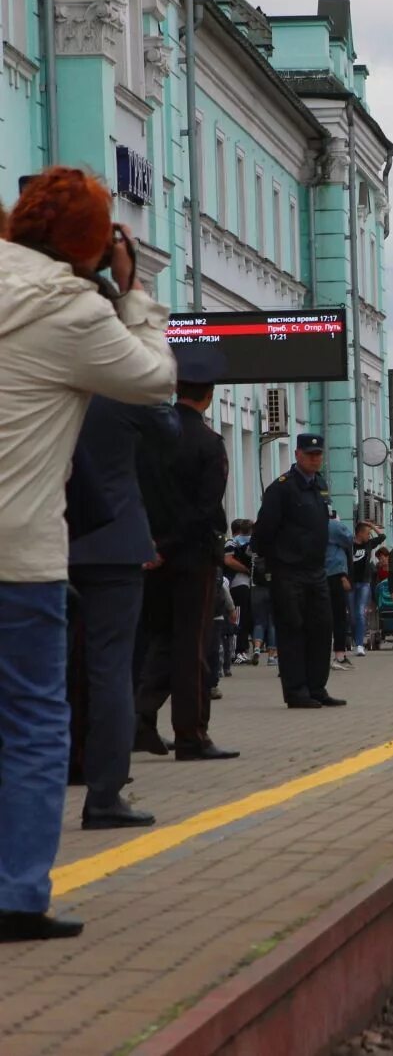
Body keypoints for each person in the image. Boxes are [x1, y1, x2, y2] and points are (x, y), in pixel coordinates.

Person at [0, 167, 177, 941]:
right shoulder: (72, 311)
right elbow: (157, 379)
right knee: (33, 722)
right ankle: (15, 896)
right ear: (92, 247)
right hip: (18, 554)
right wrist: (132, 294)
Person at [67, 396, 179, 830]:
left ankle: (50, 779)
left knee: (38, 673)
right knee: (111, 670)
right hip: (113, 544)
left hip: (41, 536)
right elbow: (169, 430)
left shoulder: (36, 364)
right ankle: (103, 796)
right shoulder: (121, 381)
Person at [132, 356, 238, 763]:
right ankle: (192, 736)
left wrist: (150, 546)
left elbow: (135, 494)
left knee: (161, 639)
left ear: (178, 391)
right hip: (191, 558)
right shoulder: (209, 444)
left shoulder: (147, 437)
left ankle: (140, 720)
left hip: (151, 557)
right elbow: (204, 509)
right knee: (192, 647)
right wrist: (170, 546)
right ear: (209, 397)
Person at [253, 434, 346, 710]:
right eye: (310, 454)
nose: (315, 458)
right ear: (297, 455)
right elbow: (264, 531)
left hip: (317, 570)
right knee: (293, 629)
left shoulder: (320, 485)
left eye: (318, 454)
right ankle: (296, 691)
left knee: (321, 628)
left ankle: (317, 688)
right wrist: (275, 563)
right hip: (288, 571)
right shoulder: (281, 489)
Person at [348, 521, 384, 655]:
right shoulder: (349, 545)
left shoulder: (369, 544)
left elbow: (382, 537)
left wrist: (371, 525)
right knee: (352, 615)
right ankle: (355, 636)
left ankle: (359, 644)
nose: (369, 536)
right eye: (367, 533)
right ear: (360, 533)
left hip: (364, 582)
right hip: (350, 583)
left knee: (360, 612)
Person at [326, 508, 354, 671]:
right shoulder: (332, 525)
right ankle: (339, 656)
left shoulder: (305, 523)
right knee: (339, 617)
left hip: (312, 575)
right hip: (334, 574)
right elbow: (349, 539)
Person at [223, 520, 253, 666]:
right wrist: (246, 570)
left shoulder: (236, 542)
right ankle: (236, 652)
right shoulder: (232, 543)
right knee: (238, 618)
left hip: (243, 584)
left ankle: (240, 650)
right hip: (238, 584)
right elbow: (228, 561)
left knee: (243, 617)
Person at [248, 526, 275, 665]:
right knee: (273, 623)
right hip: (273, 587)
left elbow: (247, 553)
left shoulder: (253, 548)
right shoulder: (275, 545)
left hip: (256, 587)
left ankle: (257, 648)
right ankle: (271, 657)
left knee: (259, 621)